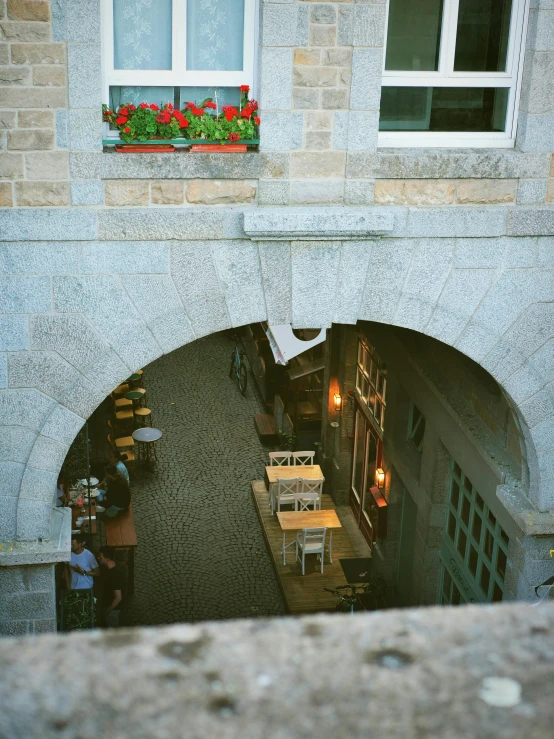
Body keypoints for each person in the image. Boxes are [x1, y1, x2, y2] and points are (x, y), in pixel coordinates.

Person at [97, 545, 127, 627]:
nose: (98, 558)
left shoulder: (115, 575)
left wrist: (108, 610)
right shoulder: (111, 567)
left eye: (100, 557)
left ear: (107, 559)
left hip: (113, 609)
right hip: (108, 603)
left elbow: (118, 598)